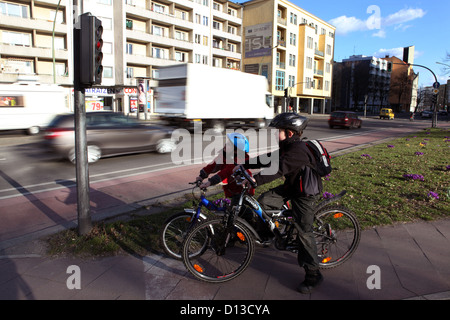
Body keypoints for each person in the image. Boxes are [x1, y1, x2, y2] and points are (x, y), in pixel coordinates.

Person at [237, 112, 324, 294]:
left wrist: (255, 181)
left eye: (278, 131)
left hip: (305, 194)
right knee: (264, 201)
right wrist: (246, 165)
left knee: (304, 232)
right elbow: (270, 157)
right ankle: (267, 234)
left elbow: (277, 169)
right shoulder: (287, 146)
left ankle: (313, 275)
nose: (275, 134)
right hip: (293, 187)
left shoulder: (298, 150)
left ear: (290, 133)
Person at [196, 132, 255, 202]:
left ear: (236, 150)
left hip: (243, 192)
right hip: (231, 192)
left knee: (241, 211)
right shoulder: (224, 156)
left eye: (229, 144)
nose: (225, 145)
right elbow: (212, 166)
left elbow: (225, 172)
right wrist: (201, 176)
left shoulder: (239, 161)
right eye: (227, 143)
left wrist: (210, 182)